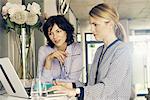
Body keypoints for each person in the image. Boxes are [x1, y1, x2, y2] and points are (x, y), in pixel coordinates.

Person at [48, 3, 132, 100]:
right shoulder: (99, 51)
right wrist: (71, 85)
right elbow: (92, 85)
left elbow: (108, 87)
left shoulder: (122, 50)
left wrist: (75, 92)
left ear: (110, 24)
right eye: (91, 24)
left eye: (95, 24)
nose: (91, 29)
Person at [37, 15, 83, 83]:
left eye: (58, 31)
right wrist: (49, 59)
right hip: (50, 93)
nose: (55, 37)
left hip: (70, 92)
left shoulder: (76, 49)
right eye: (50, 34)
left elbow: (73, 81)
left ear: (66, 31)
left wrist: (52, 82)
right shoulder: (43, 50)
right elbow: (41, 82)